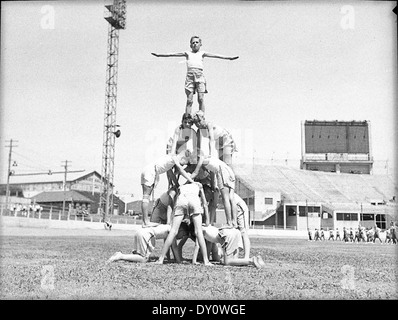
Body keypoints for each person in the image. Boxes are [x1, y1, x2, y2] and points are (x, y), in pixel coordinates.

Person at [151, 36, 239, 115]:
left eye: (197, 42)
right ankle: (187, 120)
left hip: (199, 76)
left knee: (200, 98)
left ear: (200, 44)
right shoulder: (188, 53)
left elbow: (216, 55)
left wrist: (229, 58)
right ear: (190, 45)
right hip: (190, 76)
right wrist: (159, 55)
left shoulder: (202, 53)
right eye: (193, 42)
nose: (195, 44)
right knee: (189, 100)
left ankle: (201, 118)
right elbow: (173, 54)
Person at [156, 182, 213, 266]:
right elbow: (204, 204)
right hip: (194, 199)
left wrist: (171, 219)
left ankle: (161, 259)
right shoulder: (199, 185)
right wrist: (207, 221)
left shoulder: (182, 186)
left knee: (173, 231)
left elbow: (175, 204)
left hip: (182, 199)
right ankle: (206, 261)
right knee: (199, 232)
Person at [141, 150, 195, 227]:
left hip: (149, 170)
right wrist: (191, 181)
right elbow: (181, 170)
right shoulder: (175, 158)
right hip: (151, 171)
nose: (184, 165)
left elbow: (171, 175)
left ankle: (145, 221)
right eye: (185, 162)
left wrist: (177, 185)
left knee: (146, 197)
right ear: (184, 157)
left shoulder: (170, 158)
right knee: (146, 197)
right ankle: (145, 222)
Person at [191, 155, 237, 227]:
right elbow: (212, 173)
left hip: (222, 171)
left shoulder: (201, 159)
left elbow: (195, 172)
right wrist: (213, 186)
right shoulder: (210, 157)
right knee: (231, 198)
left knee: (225, 198)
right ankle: (234, 222)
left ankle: (229, 223)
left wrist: (187, 181)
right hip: (229, 171)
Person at [198, 225, 265, 269]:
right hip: (234, 232)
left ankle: (251, 260)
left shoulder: (199, 231)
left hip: (226, 234)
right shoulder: (207, 227)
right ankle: (257, 260)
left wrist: (196, 260)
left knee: (226, 262)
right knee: (234, 261)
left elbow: (198, 246)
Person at [107, 224, 172, 264]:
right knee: (144, 259)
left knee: (138, 255)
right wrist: (179, 260)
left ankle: (121, 258)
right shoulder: (173, 230)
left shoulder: (166, 226)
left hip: (139, 231)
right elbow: (174, 247)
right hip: (147, 234)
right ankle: (120, 255)